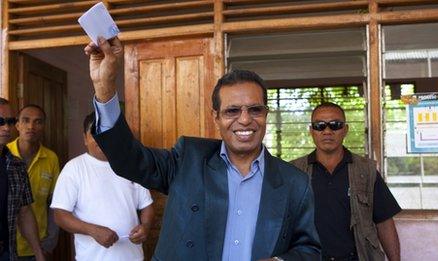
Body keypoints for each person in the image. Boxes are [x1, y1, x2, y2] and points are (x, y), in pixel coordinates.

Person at [84, 37, 321, 261]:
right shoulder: (188, 158)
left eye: (255, 110)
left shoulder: (294, 182)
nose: (245, 120)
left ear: (266, 115)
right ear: (216, 117)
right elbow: (129, 159)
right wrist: (105, 86)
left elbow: (309, 250)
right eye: (232, 111)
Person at [291, 102, 401, 261]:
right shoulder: (294, 171)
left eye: (335, 125)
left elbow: (384, 222)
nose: (327, 131)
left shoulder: (366, 171)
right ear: (311, 131)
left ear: (345, 130)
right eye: (319, 125)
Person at [50, 112, 155, 261]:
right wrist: (92, 230)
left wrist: (145, 226)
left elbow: (146, 206)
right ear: (85, 139)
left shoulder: (131, 166)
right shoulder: (74, 168)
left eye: (108, 134)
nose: (102, 140)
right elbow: (60, 215)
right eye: (95, 134)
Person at [7, 105, 60, 260]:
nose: (31, 126)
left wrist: (49, 244)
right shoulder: (5, 154)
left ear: (43, 127)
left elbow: (54, 204)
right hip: (8, 245)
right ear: (17, 125)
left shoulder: (51, 158)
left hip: (39, 246)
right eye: (26, 120)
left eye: (38, 122)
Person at [0, 98, 45, 261]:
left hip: (8, 253)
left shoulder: (17, 165)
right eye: (0, 121)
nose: (6, 127)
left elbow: (25, 212)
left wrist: (39, 253)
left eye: (10, 121)